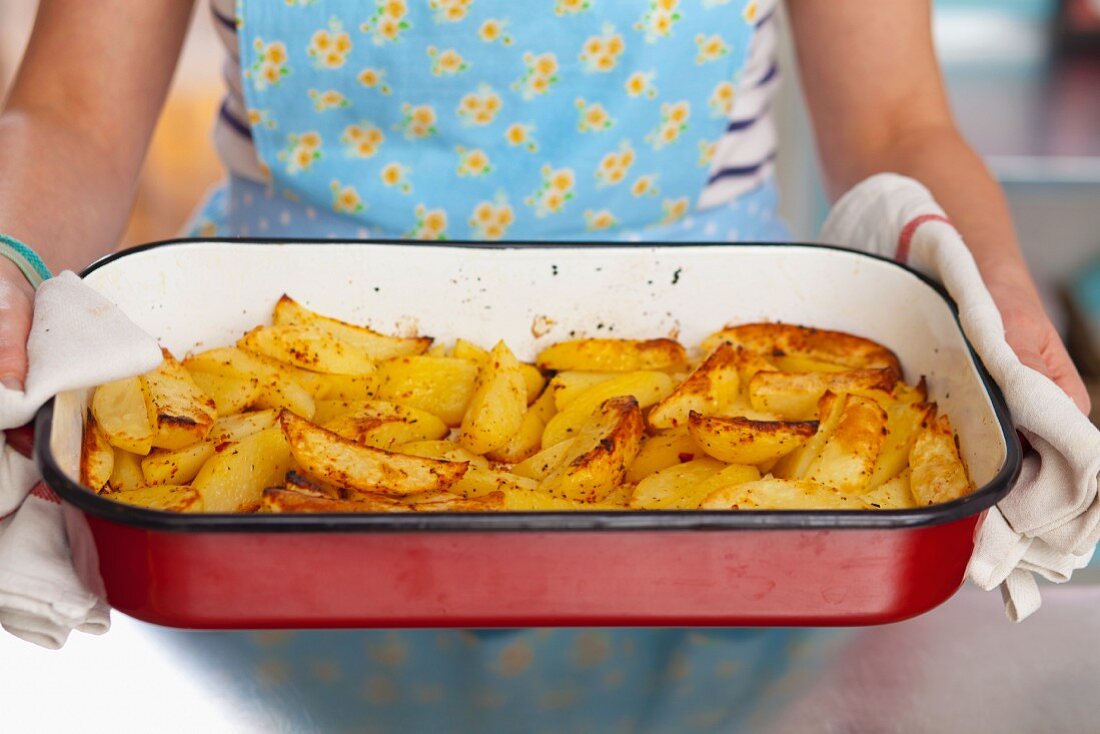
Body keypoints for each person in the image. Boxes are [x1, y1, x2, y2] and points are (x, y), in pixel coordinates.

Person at [0, 0, 1090, 731]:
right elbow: (72, 113)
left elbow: (899, 119)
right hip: (266, 514)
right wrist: (9, 268)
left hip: (720, 514)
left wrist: (981, 282)